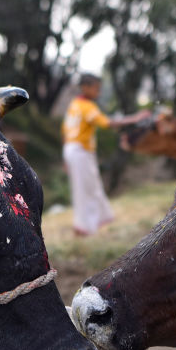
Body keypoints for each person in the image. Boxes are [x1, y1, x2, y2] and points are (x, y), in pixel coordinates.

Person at [62, 74, 150, 236]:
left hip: (72, 149)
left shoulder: (75, 104)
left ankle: (92, 222)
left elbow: (65, 130)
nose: (99, 92)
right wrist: (135, 118)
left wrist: (65, 157)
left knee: (89, 186)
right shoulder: (86, 106)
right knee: (85, 188)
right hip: (80, 150)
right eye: (96, 89)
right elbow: (107, 123)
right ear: (85, 88)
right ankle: (82, 227)